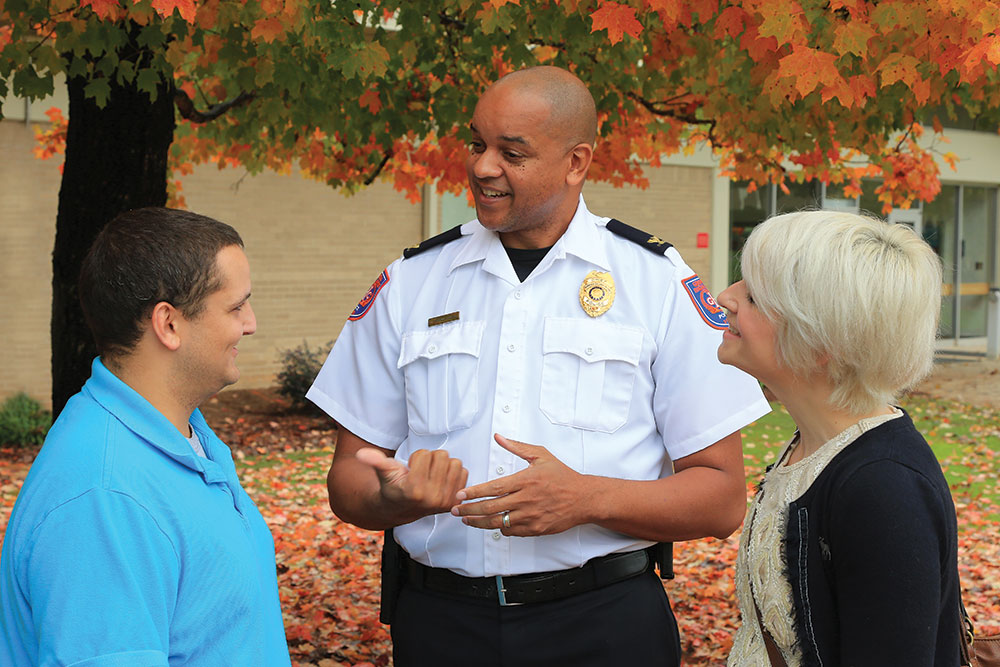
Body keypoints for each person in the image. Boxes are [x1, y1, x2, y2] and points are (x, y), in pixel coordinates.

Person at [307, 66, 770, 667]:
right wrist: (400, 500)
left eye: (512, 152)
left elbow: (721, 499)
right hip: (441, 625)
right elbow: (348, 481)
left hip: (602, 626)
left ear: (576, 162)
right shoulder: (411, 283)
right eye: (477, 144)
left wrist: (585, 499)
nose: (481, 167)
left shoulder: (653, 282)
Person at [0, 208, 291, 666]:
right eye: (236, 307)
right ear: (168, 323)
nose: (250, 323)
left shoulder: (182, 437)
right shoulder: (105, 498)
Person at [718, 210, 961, 666]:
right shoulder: (815, 447)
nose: (725, 298)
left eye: (752, 295)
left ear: (820, 337)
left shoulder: (884, 488)